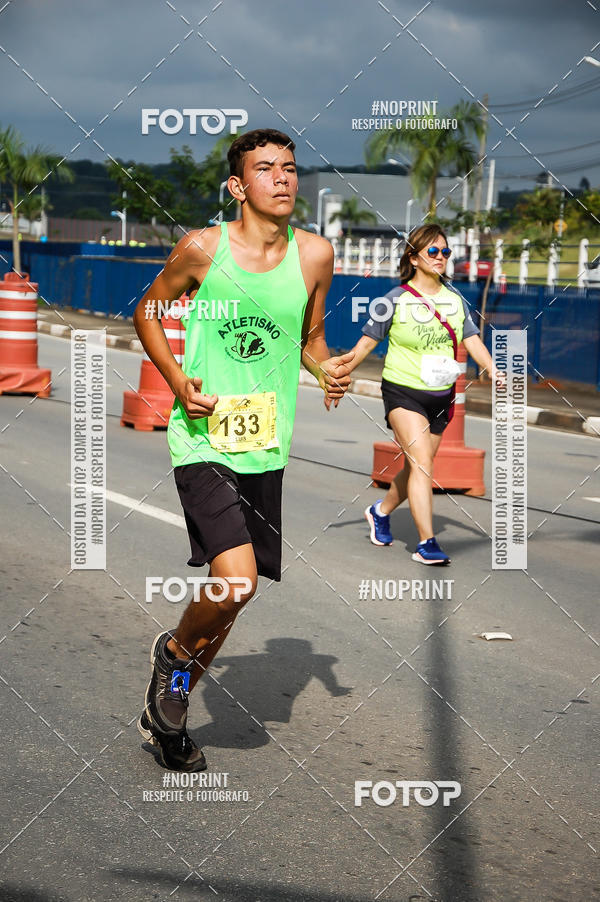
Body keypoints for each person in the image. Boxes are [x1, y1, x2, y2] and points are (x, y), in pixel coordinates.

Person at [132, 128, 354, 771]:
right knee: (236, 581)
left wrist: (323, 369)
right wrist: (177, 382)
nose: (283, 179)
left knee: (236, 597)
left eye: (289, 168)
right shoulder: (203, 249)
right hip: (201, 437)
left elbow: (310, 337)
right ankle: (174, 658)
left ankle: (168, 710)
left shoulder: (315, 255)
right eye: (266, 169)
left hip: (265, 446)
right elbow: (149, 311)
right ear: (238, 186)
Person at [344, 223, 502, 565]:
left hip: (441, 396)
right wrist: (339, 374)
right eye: (433, 251)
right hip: (403, 392)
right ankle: (426, 542)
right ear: (414, 258)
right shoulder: (395, 300)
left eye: (445, 251)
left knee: (417, 466)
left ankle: (380, 511)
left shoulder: (455, 301)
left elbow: (471, 339)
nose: (441, 257)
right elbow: (366, 345)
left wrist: (492, 368)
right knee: (423, 465)